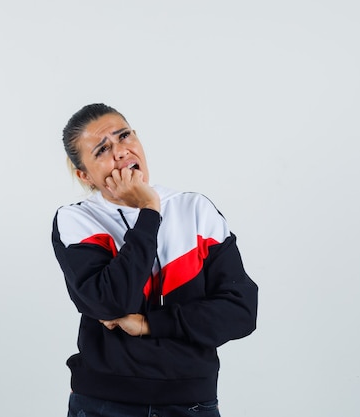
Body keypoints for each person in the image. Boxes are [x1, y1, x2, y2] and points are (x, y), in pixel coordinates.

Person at [51, 103, 258, 417]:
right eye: (102, 149)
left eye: (124, 136)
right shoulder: (77, 220)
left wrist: (148, 324)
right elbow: (112, 302)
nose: (120, 151)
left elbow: (241, 312)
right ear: (85, 175)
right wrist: (149, 211)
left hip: (191, 402)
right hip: (103, 404)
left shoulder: (195, 210)